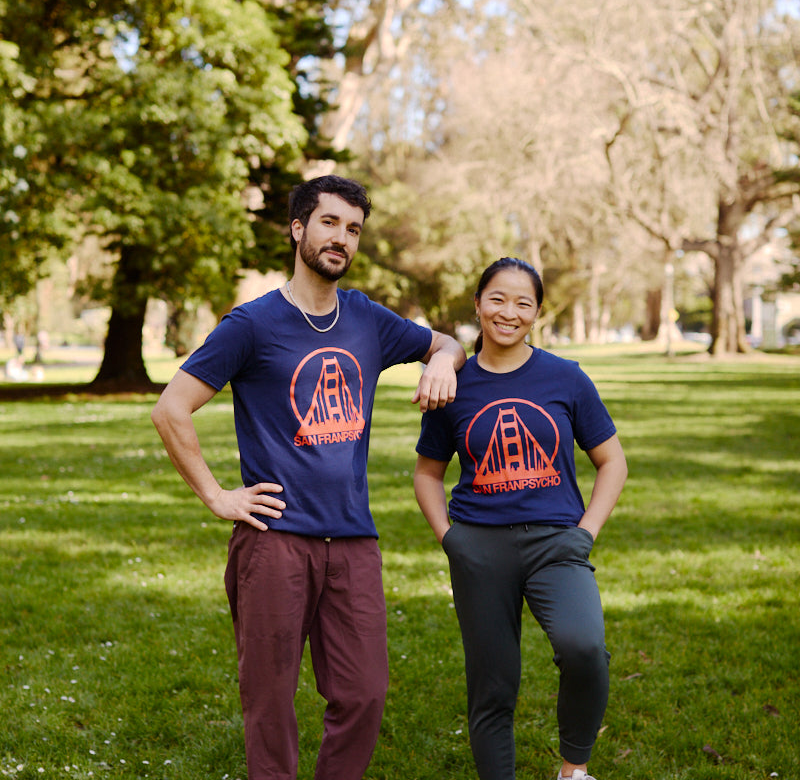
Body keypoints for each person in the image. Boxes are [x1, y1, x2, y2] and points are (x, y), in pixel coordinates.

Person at [151, 175, 466, 780]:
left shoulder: (368, 319)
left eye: (352, 229)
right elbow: (171, 409)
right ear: (297, 229)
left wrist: (444, 363)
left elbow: (445, 341)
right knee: (269, 702)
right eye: (329, 223)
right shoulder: (252, 324)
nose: (341, 239)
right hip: (274, 542)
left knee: (365, 693)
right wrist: (217, 496)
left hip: (352, 539)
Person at [414, 257, 627, 780]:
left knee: (584, 650)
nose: (508, 312)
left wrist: (585, 533)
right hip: (478, 546)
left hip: (557, 542)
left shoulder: (564, 377)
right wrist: (450, 539)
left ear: (536, 312)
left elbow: (612, 461)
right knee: (493, 682)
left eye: (523, 303)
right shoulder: (453, 385)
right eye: (498, 299)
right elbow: (427, 474)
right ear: (479, 303)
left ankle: (573, 770)